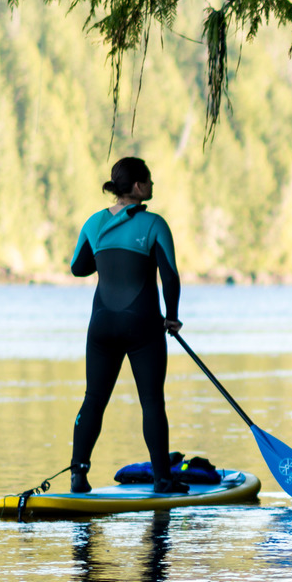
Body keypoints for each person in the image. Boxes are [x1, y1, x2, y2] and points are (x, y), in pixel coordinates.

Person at [67, 157, 182, 493]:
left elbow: (78, 267)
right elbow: (170, 277)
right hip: (142, 326)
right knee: (151, 402)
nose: (152, 185)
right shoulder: (154, 224)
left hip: (101, 326)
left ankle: (79, 475)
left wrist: (107, 256)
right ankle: (163, 479)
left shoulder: (94, 222)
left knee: (93, 399)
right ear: (137, 186)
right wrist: (172, 317)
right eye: (149, 180)